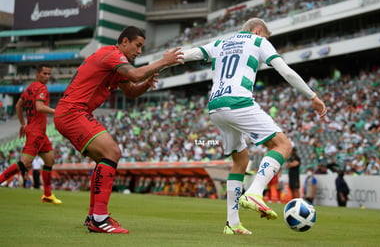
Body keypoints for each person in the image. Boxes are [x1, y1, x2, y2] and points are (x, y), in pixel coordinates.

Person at [181, 18, 327, 235]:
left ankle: (232, 224)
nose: (267, 40)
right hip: (238, 102)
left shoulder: (221, 43)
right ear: (259, 31)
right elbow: (285, 71)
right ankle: (255, 192)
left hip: (215, 108)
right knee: (283, 145)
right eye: (266, 36)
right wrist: (312, 96)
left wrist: (162, 63)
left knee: (240, 160)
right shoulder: (258, 42)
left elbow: (190, 53)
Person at [53, 26, 183, 234]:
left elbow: (131, 91)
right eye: (137, 45)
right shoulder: (111, 55)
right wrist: (163, 61)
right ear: (124, 42)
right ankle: (100, 219)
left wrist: (146, 84)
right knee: (112, 151)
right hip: (72, 112)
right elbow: (134, 75)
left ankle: (94, 216)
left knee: (104, 159)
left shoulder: (115, 63)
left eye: (142, 47)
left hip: (71, 113)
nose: (139, 51)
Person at [0, 65, 62, 204]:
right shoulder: (42, 88)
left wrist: (23, 124)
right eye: (44, 73)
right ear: (37, 74)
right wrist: (56, 111)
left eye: (48, 74)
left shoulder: (30, 87)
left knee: (50, 159)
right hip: (36, 132)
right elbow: (39, 107)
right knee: (25, 163)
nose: (47, 76)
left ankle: (47, 194)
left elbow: (18, 106)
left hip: (39, 131)